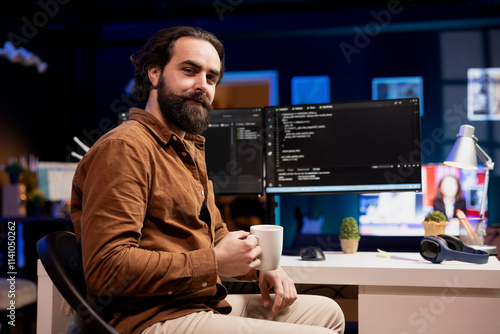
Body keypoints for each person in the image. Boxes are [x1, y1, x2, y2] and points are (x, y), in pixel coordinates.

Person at [71, 26, 344, 334]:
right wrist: (214, 262)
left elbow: (214, 234)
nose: (203, 85)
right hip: (149, 318)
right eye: (190, 71)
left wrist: (262, 266)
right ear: (154, 73)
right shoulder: (125, 148)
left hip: (195, 302)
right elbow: (107, 271)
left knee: (329, 312)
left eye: (211, 78)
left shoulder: (186, 148)